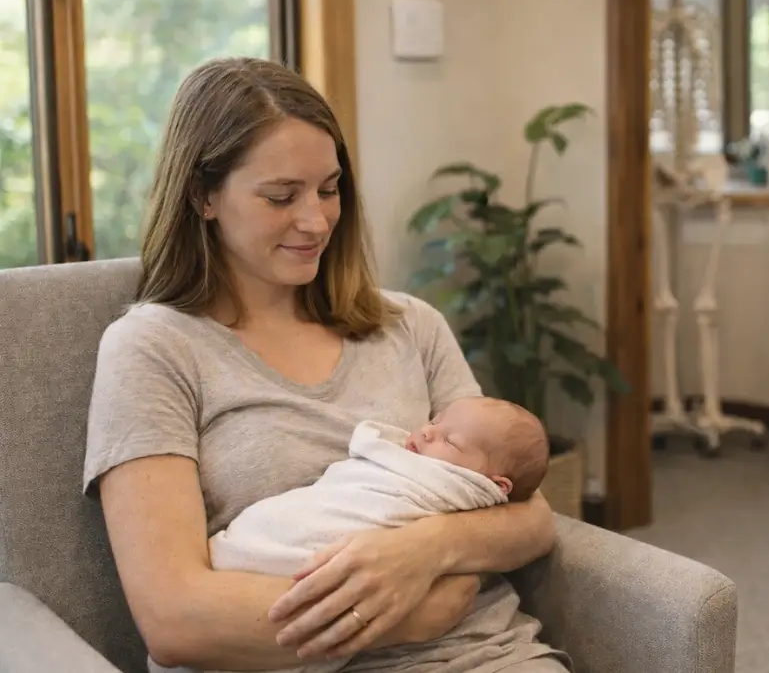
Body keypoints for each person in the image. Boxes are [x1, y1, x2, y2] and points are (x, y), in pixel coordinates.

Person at [82, 56, 570, 673]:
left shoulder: (409, 325)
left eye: (329, 189)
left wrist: (425, 551)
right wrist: (401, 616)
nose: (316, 221)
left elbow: (528, 518)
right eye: (281, 196)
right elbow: (175, 617)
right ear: (203, 196)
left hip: (483, 654)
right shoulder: (153, 348)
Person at [205, 396, 560, 673]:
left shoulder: (461, 489)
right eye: (434, 420)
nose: (426, 431)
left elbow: (536, 521)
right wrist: (417, 615)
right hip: (275, 614)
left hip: (477, 647)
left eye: (450, 440)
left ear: (494, 485)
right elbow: (171, 624)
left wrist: (432, 545)